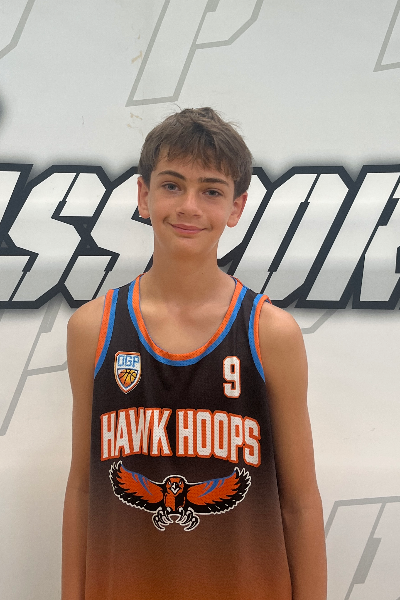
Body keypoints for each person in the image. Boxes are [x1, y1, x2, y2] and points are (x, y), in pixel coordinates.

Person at [62, 107, 327, 600]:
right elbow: (83, 490)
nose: (189, 206)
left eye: (211, 190)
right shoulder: (92, 328)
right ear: (143, 196)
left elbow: (300, 503)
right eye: (172, 185)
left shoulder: (271, 334)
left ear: (236, 207)